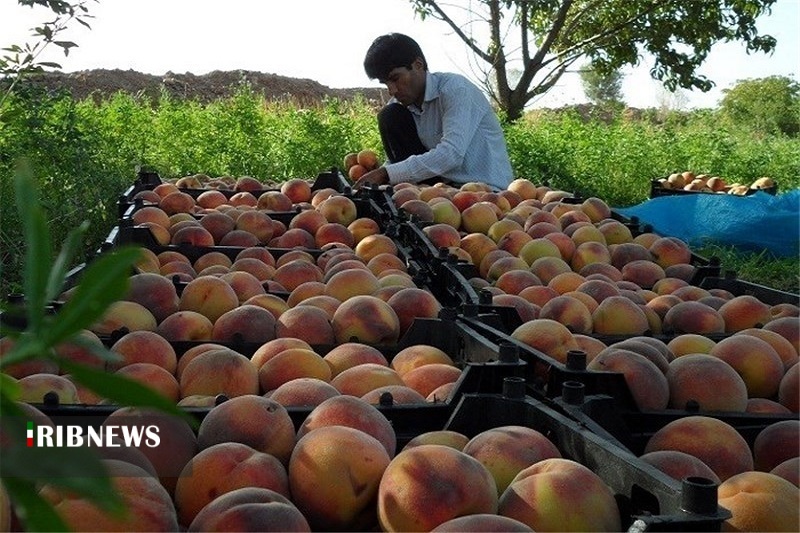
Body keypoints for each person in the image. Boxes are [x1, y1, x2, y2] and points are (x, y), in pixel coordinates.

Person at [353, 33, 513, 191]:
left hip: (484, 192)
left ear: (418, 65)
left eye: (395, 79)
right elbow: (398, 163)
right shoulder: (400, 105)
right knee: (390, 116)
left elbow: (452, 154)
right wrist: (377, 175)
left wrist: (386, 174)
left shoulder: (456, 90)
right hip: (439, 190)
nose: (391, 90)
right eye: (385, 83)